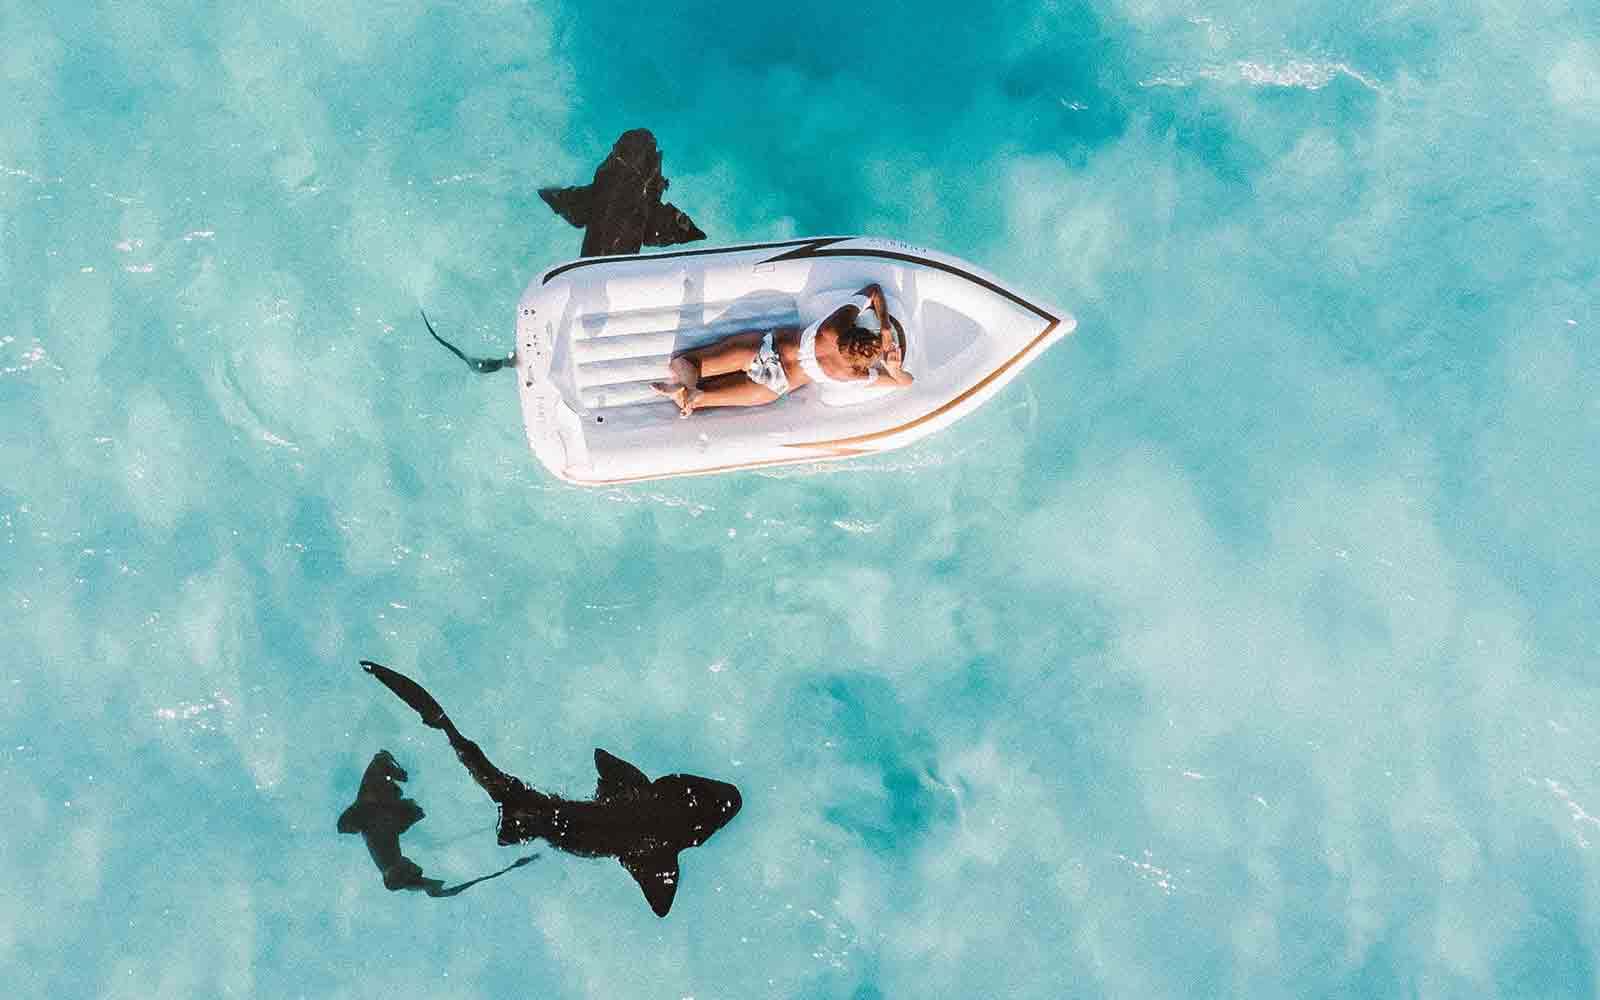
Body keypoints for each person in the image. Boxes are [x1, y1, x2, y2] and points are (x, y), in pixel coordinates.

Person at [652, 283, 912, 417]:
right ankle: (689, 396)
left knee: (685, 361)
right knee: (701, 400)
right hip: (776, 384)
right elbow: (904, 384)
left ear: (856, 331)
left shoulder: (836, 324)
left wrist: (886, 326)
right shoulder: (850, 375)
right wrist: (894, 369)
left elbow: (874, 291)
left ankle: (685, 383)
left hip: (763, 349)